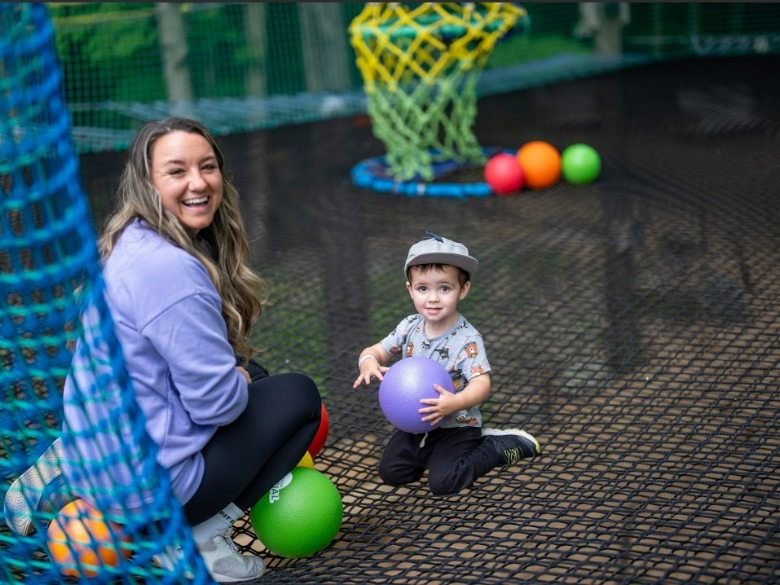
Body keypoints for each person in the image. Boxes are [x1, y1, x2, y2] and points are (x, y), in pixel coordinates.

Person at [4, 118, 322, 583]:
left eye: (207, 166)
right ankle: (194, 535)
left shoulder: (128, 242)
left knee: (256, 372)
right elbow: (216, 404)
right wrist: (236, 381)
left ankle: (62, 468)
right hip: (150, 487)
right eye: (177, 171)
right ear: (148, 182)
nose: (198, 182)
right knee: (298, 396)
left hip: (101, 456)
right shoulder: (174, 274)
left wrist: (240, 376)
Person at [353, 232, 540, 496]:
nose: (433, 298)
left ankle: (493, 447)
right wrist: (368, 362)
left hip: (457, 425)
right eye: (423, 288)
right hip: (416, 423)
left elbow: (481, 384)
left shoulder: (467, 338)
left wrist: (456, 402)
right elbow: (374, 351)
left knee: (444, 484)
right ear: (410, 289)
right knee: (392, 473)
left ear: (462, 289)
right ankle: (433, 456)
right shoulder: (409, 327)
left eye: (444, 288)